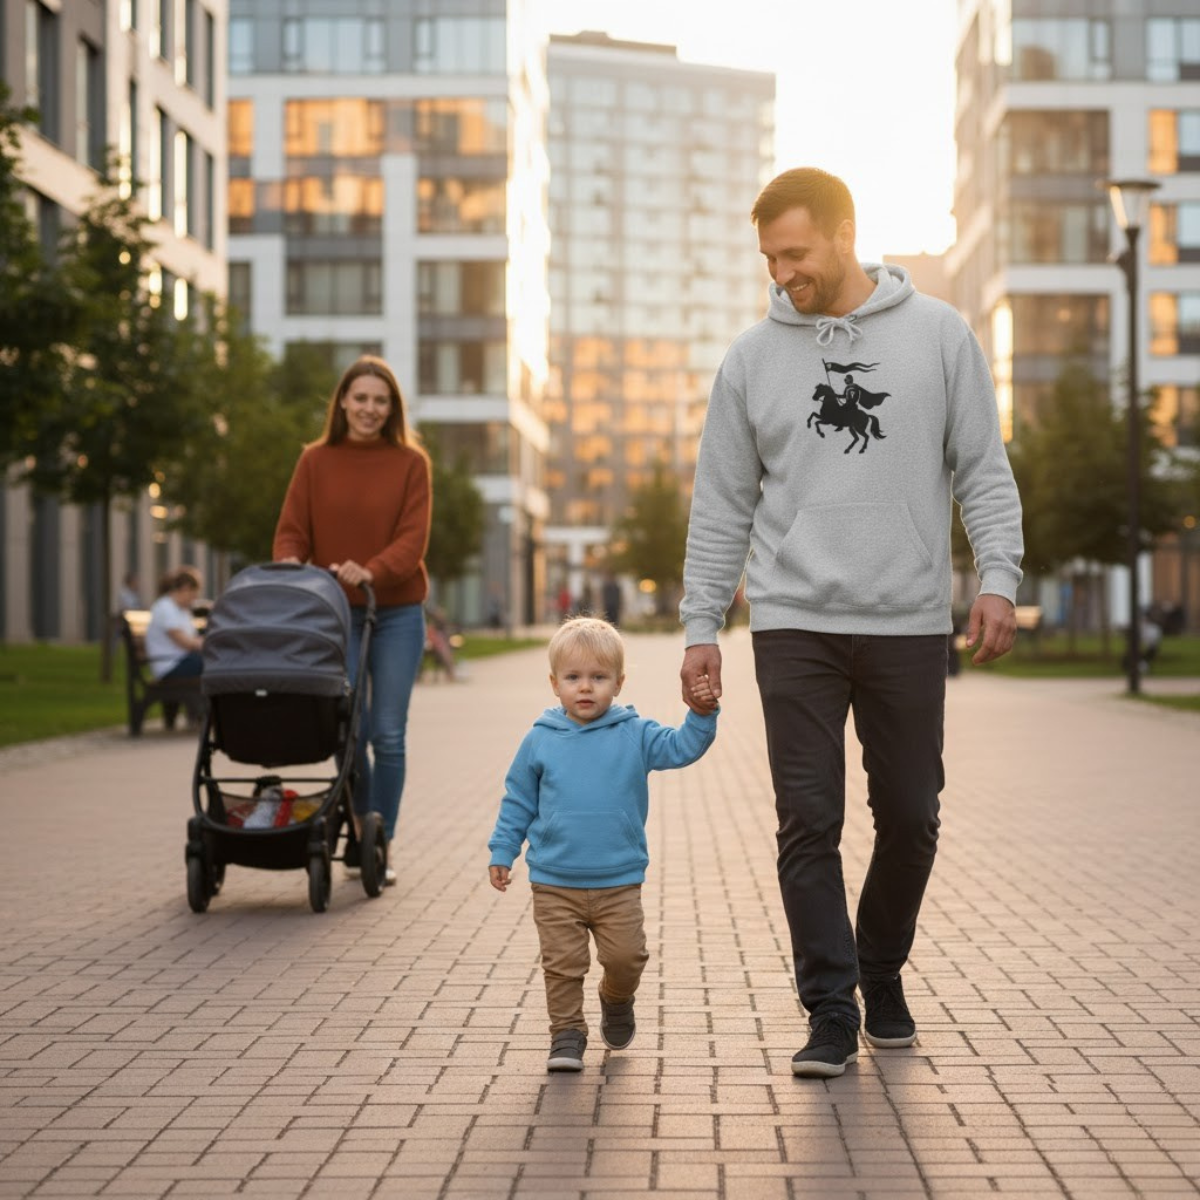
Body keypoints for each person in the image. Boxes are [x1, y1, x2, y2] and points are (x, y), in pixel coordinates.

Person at [678, 168, 1024, 1078]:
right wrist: (701, 624)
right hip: (794, 620)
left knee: (911, 815)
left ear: (843, 235)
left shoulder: (939, 336)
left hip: (907, 617)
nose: (781, 272)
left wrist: (998, 576)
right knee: (808, 821)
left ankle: (880, 967)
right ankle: (831, 1008)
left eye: (794, 253)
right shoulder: (751, 360)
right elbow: (721, 504)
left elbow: (982, 469)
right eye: (768, 258)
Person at [488, 616, 719, 1073]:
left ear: (619, 682)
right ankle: (567, 1034)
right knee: (563, 965)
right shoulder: (539, 739)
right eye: (573, 677)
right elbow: (518, 800)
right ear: (554, 684)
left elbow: (682, 747)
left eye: (598, 677)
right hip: (555, 881)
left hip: (618, 881)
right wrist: (502, 850)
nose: (585, 687)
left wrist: (701, 713)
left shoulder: (636, 734)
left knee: (626, 958)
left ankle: (616, 999)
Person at [274, 355, 432, 888]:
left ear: (392, 409)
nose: (369, 408)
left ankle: (380, 843)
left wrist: (372, 570)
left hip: (397, 613)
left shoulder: (411, 464)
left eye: (380, 401)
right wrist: (289, 564)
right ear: (342, 401)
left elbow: (412, 540)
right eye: (360, 398)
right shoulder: (314, 461)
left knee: (387, 732)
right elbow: (292, 530)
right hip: (336, 614)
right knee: (351, 730)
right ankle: (362, 828)